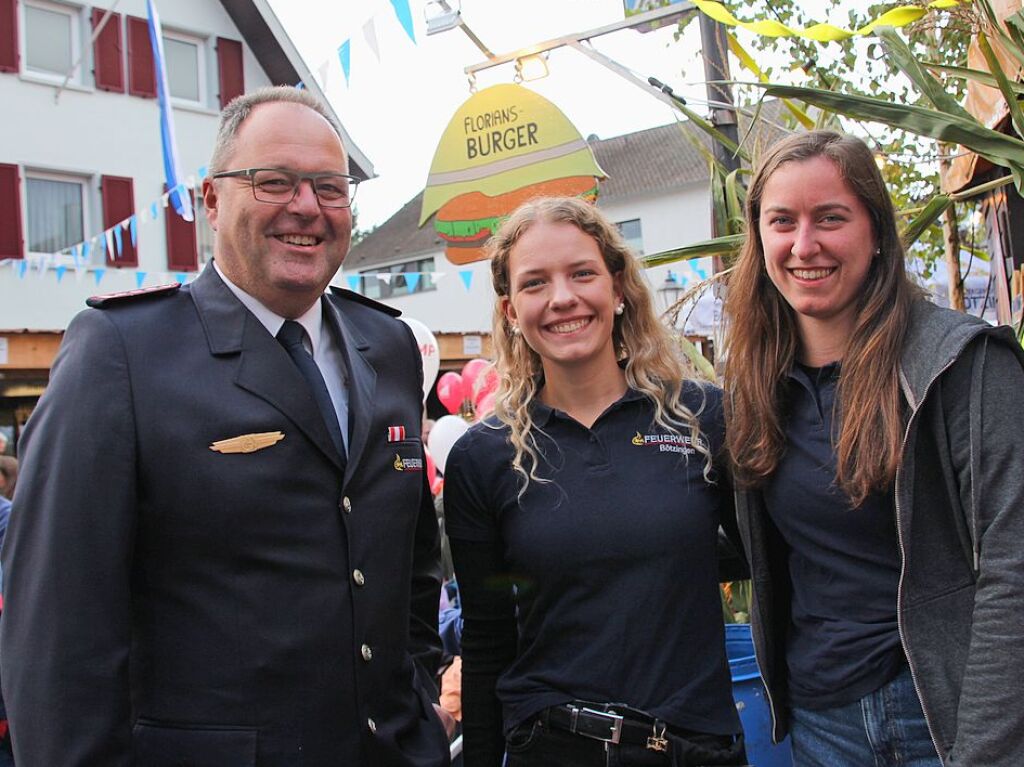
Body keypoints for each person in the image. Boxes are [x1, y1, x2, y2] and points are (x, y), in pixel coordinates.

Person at [0, 86, 451, 767]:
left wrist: (413, 698)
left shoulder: (386, 347)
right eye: (274, 181)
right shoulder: (122, 352)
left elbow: (409, 571)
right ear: (211, 200)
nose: (307, 206)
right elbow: (57, 640)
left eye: (330, 188)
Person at [723, 130, 1024, 767]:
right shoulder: (753, 386)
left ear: (876, 231)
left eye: (830, 218)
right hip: (822, 723)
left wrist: (985, 748)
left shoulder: (962, 366)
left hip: (944, 717)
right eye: (782, 222)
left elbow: (1013, 568)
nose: (805, 245)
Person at [443, 197, 747, 767]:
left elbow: (771, 559)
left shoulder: (704, 418)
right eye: (535, 283)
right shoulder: (482, 457)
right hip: (554, 747)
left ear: (618, 287)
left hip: (694, 746)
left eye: (582, 273)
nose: (562, 298)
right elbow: (486, 641)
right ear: (511, 310)